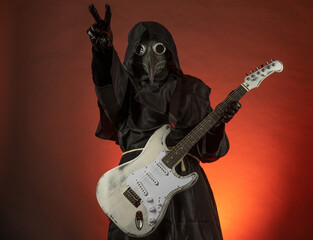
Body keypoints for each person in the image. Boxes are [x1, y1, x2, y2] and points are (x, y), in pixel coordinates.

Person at [87, 4, 241, 240]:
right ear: (131, 54)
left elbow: (209, 152)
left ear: (169, 52)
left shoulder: (191, 90)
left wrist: (218, 124)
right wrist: (103, 53)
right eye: (140, 49)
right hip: (135, 186)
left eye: (158, 48)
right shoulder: (126, 90)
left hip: (185, 191)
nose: (149, 57)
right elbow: (108, 90)